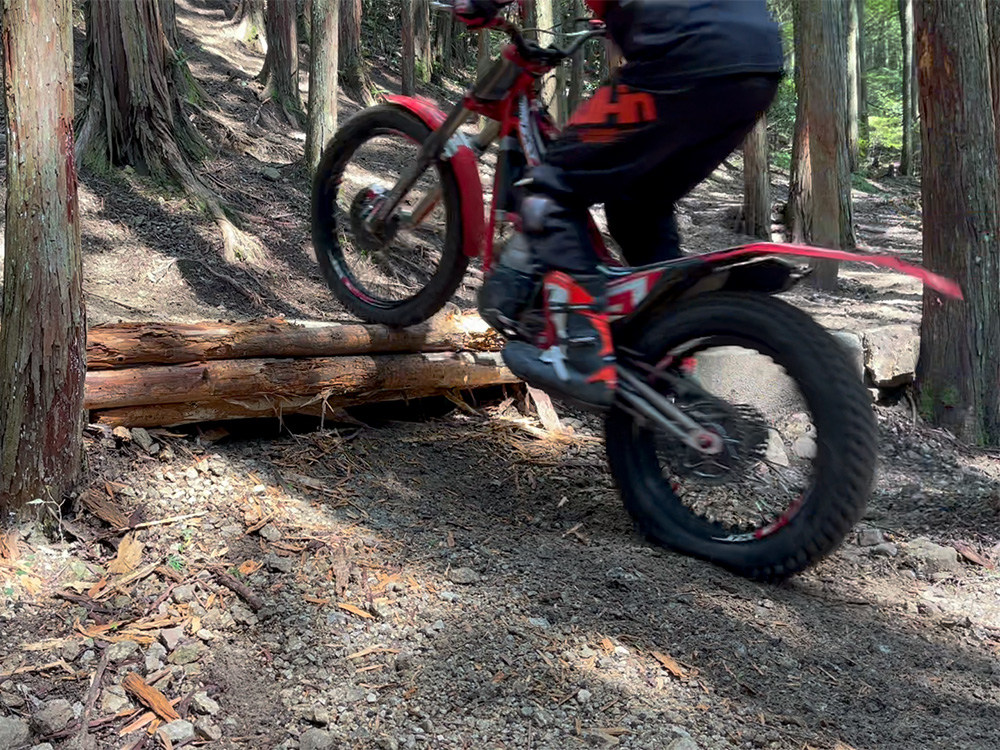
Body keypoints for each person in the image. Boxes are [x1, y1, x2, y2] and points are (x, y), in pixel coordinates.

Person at [457, 0, 784, 409]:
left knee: (549, 181)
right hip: (758, 65)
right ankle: (667, 347)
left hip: (684, 58)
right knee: (638, 203)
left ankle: (581, 348)